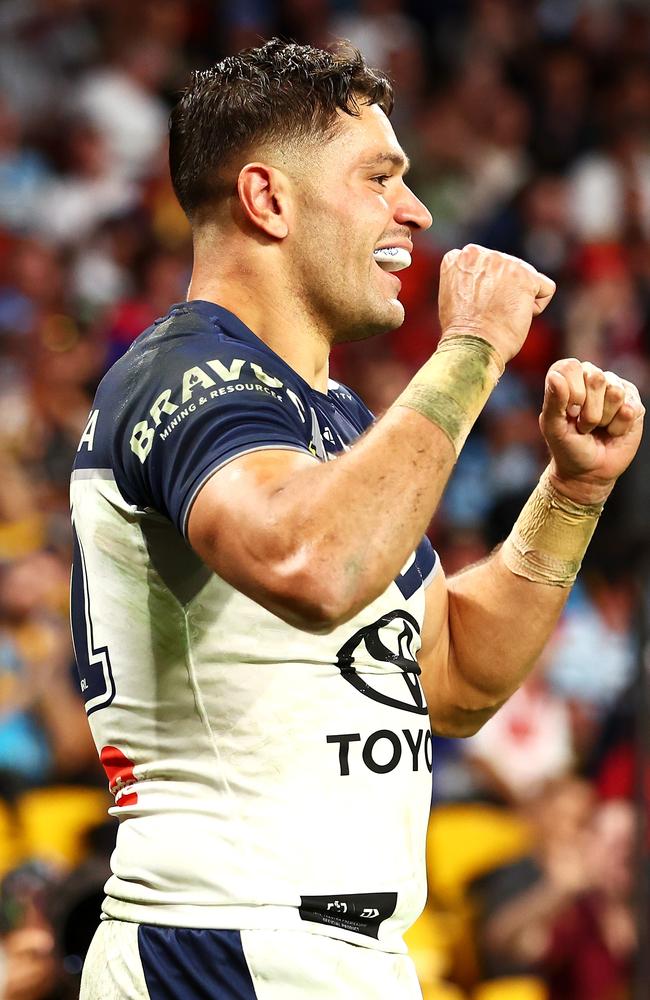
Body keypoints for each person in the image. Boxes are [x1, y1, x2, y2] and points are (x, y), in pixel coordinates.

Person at [70, 38, 644, 1000]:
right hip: (223, 944)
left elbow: (456, 680)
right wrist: (472, 346)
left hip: (332, 954)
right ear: (268, 200)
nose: (414, 211)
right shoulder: (186, 375)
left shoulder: (333, 425)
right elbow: (314, 562)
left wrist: (571, 494)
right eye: (379, 177)